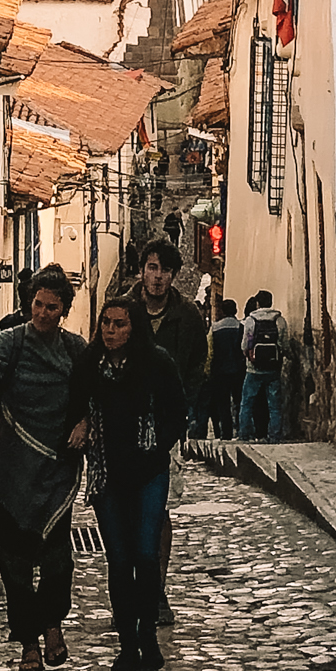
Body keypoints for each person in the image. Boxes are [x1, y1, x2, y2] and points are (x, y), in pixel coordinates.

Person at [0, 263, 89, 671]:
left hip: (56, 471)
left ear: (63, 310)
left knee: (58, 561)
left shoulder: (75, 350)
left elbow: (89, 395)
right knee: (14, 565)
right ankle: (29, 642)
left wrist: (83, 423)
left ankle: (51, 622)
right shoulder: (8, 343)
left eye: (52, 307)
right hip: (12, 471)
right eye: (38, 304)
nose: (43, 313)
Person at [81, 297, 188, 671]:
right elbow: (75, 405)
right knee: (119, 561)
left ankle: (148, 637)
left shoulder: (156, 363)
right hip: (108, 475)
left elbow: (178, 412)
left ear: (133, 327)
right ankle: (127, 643)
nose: (111, 331)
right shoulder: (90, 366)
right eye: (106, 323)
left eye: (120, 324)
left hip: (148, 473)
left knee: (145, 555)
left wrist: (156, 444)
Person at [127, 239, 210, 626]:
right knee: (128, 511)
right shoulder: (123, 310)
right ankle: (131, 587)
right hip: (124, 425)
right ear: (141, 269)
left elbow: (196, 366)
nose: (157, 277)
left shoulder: (188, 316)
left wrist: (181, 409)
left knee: (157, 511)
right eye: (152, 267)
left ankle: (155, 590)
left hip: (165, 428)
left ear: (173, 275)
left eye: (164, 270)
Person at [239, 289, 287, 442]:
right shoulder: (280, 320)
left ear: (258, 303)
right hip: (273, 368)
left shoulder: (250, 320)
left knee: (247, 402)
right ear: (271, 302)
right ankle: (274, 435)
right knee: (274, 404)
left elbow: (245, 344)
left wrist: (249, 356)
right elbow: (283, 344)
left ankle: (244, 435)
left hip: (253, 369)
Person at [208, 296, 246, 440]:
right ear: (236, 310)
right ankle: (241, 430)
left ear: (222, 311)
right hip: (238, 370)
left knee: (223, 404)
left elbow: (210, 351)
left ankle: (226, 433)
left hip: (220, 371)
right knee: (239, 402)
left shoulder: (215, 328)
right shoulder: (241, 327)